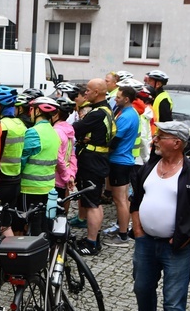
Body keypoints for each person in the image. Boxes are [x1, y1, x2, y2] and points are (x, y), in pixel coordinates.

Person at [131, 121, 190, 311]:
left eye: (160, 136)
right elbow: (136, 200)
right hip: (145, 243)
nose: (155, 139)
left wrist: (187, 233)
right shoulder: (149, 167)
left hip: (177, 247)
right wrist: (139, 230)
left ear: (177, 143)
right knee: (142, 290)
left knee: (173, 303)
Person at [72, 79, 115, 255]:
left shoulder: (97, 113)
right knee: (93, 200)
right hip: (97, 159)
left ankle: (91, 243)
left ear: (97, 92)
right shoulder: (105, 109)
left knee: (92, 203)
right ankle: (92, 238)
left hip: (93, 161)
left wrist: (81, 135)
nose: (85, 93)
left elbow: (76, 128)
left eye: (88, 91)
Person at [16, 97, 61, 236]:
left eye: (31, 109)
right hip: (48, 186)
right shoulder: (54, 133)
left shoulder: (34, 132)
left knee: (29, 222)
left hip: (30, 187)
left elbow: (22, 159)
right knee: (42, 223)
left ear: (37, 111)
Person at [102, 85, 139, 248]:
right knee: (123, 198)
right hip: (123, 160)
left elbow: (115, 141)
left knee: (120, 200)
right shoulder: (129, 113)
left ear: (126, 99)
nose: (115, 99)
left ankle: (123, 235)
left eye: (118, 97)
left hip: (119, 162)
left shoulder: (126, 117)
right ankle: (122, 228)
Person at [0, 86, 26, 234]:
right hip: (15, 177)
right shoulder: (20, 124)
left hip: (1, 179)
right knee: (7, 221)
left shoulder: (1, 126)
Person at [53, 98, 78, 212]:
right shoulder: (69, 129)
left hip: (56, 179)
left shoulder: (56, 131)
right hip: (65, 178)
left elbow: (58, 158)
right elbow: (71, 155)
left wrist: (66, 176)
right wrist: (71, 175)